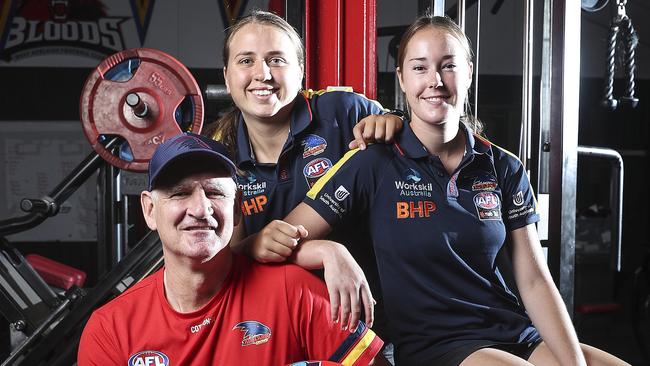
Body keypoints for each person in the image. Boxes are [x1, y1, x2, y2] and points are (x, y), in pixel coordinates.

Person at [247, 14, 631, 366]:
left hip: (512, 330)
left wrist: (574, 362)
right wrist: (330, 251)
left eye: (448, 66)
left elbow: (533, 279)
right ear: (402, 78)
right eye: (420, 68)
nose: (435, 81)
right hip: (435, 346)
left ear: (468, 72)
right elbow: (280, 240)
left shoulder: (503, 166)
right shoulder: (372, 162)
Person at [77, 133, 384, 365]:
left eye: (214, 192)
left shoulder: (295, 293)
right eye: (180, 193)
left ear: (237, 209)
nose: (200, 208)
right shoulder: (110, 329)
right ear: (149, 210)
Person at [202, 9, 403, 345]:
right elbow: (222, 259)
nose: (262, 74)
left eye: (276, 60)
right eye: (246, 61)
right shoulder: (218, 154)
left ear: (300, 71)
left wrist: (395, 124)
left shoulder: (343, 112)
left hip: (372, 324)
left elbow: (421, 164)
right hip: (272, 330)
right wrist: (258, 246)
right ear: (226, 76)